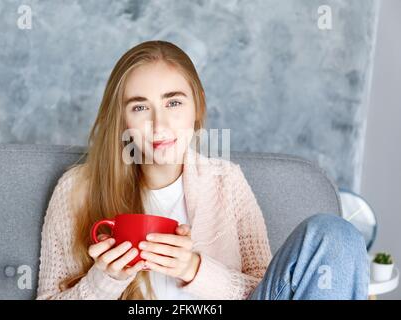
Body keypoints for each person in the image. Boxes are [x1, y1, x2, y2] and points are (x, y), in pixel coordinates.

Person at [36, 40, 368, 300]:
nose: (159, 123)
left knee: (335, 234)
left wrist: (194, 269)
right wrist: (104, 281)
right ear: (122, 120)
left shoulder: (227, 181)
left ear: (198, 108)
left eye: (173, 102)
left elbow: (268, 288)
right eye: (140, 107)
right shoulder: (76, 189)